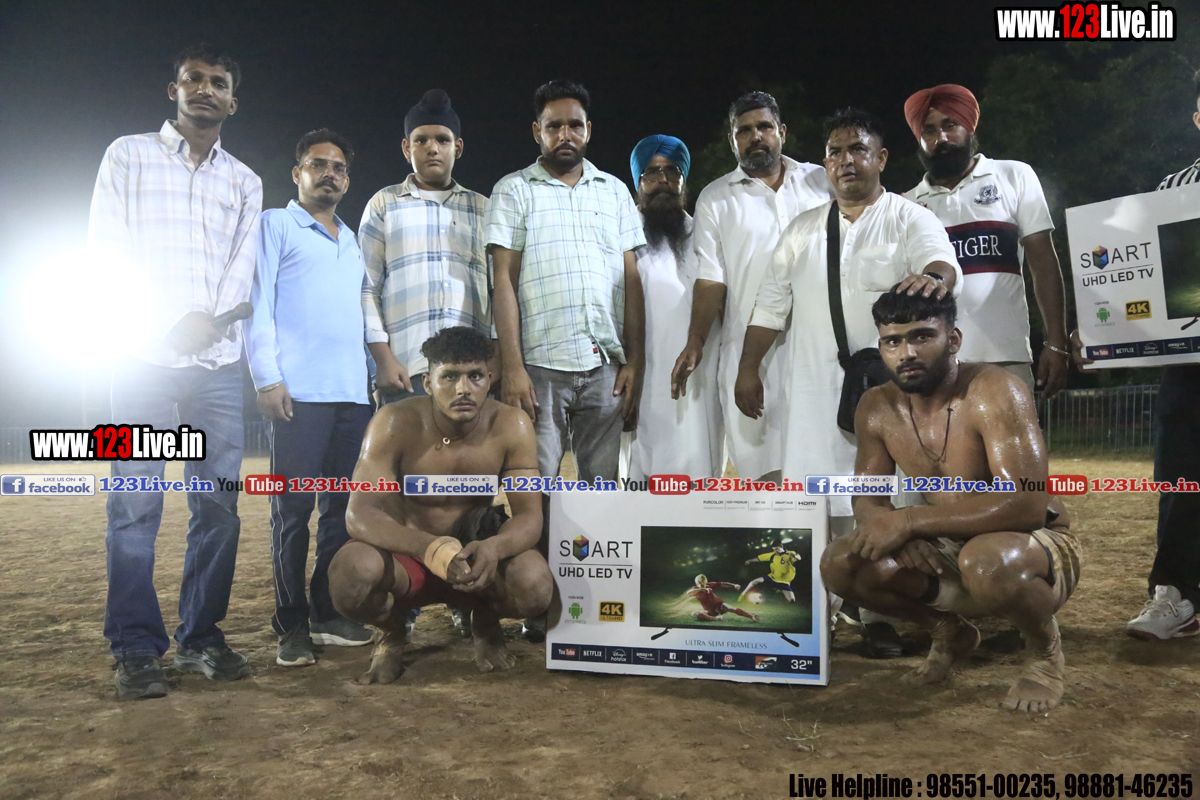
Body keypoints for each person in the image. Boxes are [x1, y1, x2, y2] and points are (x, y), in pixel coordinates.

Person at [736, 108, 960, 656]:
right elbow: (770, 306)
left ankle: (883, 612)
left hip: (892, 396)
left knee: (890, 502)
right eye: (835, 152)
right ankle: (821, 614)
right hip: (815, 391)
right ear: (825, 162)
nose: (846, 161)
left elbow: (942, 264)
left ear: (881, 158)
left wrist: (931, 278)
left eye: (858, 149)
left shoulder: (908, 217)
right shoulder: (802, 229)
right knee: (819, 503)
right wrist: (747, 368)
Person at [87, 44, 261, 699]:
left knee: (218, 507)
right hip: (139, 360)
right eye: (194, 79)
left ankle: (201, 637)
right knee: (135, 505)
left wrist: (207, 324)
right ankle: (135, 649)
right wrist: (167, 323)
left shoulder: (244, 180)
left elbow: (242, 267)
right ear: (174, 90)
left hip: (217, 366)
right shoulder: (126, 155)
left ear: (233, 100)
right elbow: (107, 251)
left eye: (219, 82)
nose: (206, 89)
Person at [822, 289, 1081, 712]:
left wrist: (909, 522)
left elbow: (1027, 504)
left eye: (922, 336)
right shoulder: (876, 405)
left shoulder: (995, 389)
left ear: (954, 339)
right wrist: (889, 527)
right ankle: (948, 631)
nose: (906, 352)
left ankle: (1044, 653)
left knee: (986, 561)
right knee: (841, 563)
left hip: (1032, 541)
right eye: (892, 341)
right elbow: (867, 500)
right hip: (952, 539)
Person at [326, 327, 552, 683]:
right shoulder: (394, 421)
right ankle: (392, 631)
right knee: (350, 574)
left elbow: (528, 516)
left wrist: (494, 548)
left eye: (475, 376)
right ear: (428, 383)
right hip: (407, 556)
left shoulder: (512, 424)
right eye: (449, 376)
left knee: (535, 584)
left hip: (474, 557)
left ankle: (485, 620)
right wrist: (429, 548)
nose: (463, 389)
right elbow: (360, 513)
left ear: (490, 379)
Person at [1072, 68, 1200, 641]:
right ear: (1197, 118)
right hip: (1190, 364)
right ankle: (1175, 594)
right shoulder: (1172, 188)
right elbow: (1132, 271)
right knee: (1182, 480)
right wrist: (1102, 330)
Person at [246, 129, 375, 668]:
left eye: (339, 168)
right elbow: (257, 303)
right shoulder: (275, 224)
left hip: (352, 397)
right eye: (318, 164)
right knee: (292, 512)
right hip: (298, 396)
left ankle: (326, 613)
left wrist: (370, 379)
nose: (330, 174)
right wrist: (266, 378)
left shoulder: (352, 240)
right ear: (297, 173)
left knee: (339, 512)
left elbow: (361, 314)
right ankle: (291, 623)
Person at [487, 79, 646, 490]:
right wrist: (512, 367)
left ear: (588, 130)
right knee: (534, 489)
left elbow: (632, 283)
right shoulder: (514, 190)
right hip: (539, 369)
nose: (564, 134)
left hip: (605, 367)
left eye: (574, 125)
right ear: (536, 131)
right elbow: (503, 282)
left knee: (601, 492)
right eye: (553, 126)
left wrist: (635, 362)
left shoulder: (614, 192)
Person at [670, 91, 833, 483]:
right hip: (750, 360)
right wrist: (696, 340)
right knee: (764, 477)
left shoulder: (820, 181)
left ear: (782, 131)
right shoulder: (716, 198)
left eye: (764, 127)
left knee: (825, 472)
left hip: (820, 353)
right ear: (732, 140)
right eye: (743, 131)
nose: (755, 136)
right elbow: (711, 278)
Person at [903, 84, 1069, 397]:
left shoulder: (1014, 176)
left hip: (1005, 357)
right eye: (929, 131)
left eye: (950, 125)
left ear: (969, 127)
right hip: (933, 365)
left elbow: (1044, 262)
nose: (941, 138)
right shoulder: (906, 204)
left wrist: (1056, 342)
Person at [360, 89, 493, 407]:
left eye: (442, 140)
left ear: (458, 147)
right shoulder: (384, 204)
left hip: (472, 375)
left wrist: (495, 361)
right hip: (407, 372)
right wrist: (382, 361)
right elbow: (366, 289)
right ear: (407, 148)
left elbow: (498, 292)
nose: (432, 148)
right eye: (421, 140)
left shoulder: (484, 209)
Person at [624, 135, 723, 480]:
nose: (663, 180)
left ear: (684, 180)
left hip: (702, 382)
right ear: (638, 183)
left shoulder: (706, 234)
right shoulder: (623, 239)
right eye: (651, 173)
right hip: (644, 381)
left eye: (672, 171)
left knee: (700, 474)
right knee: (642, 478)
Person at [686, 575, 758, 623]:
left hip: (718, 605)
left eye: (704, 583)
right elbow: (689, 592)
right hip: (709, 611)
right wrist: (702, 589)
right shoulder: (695, 589)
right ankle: (715, 618)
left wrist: (733, 585)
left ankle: (751, 617)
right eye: (701, 584)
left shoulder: (709, 585)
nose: (704, 585)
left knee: (730, 608)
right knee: (694, 614)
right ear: (697, 584)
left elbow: (722, 584)